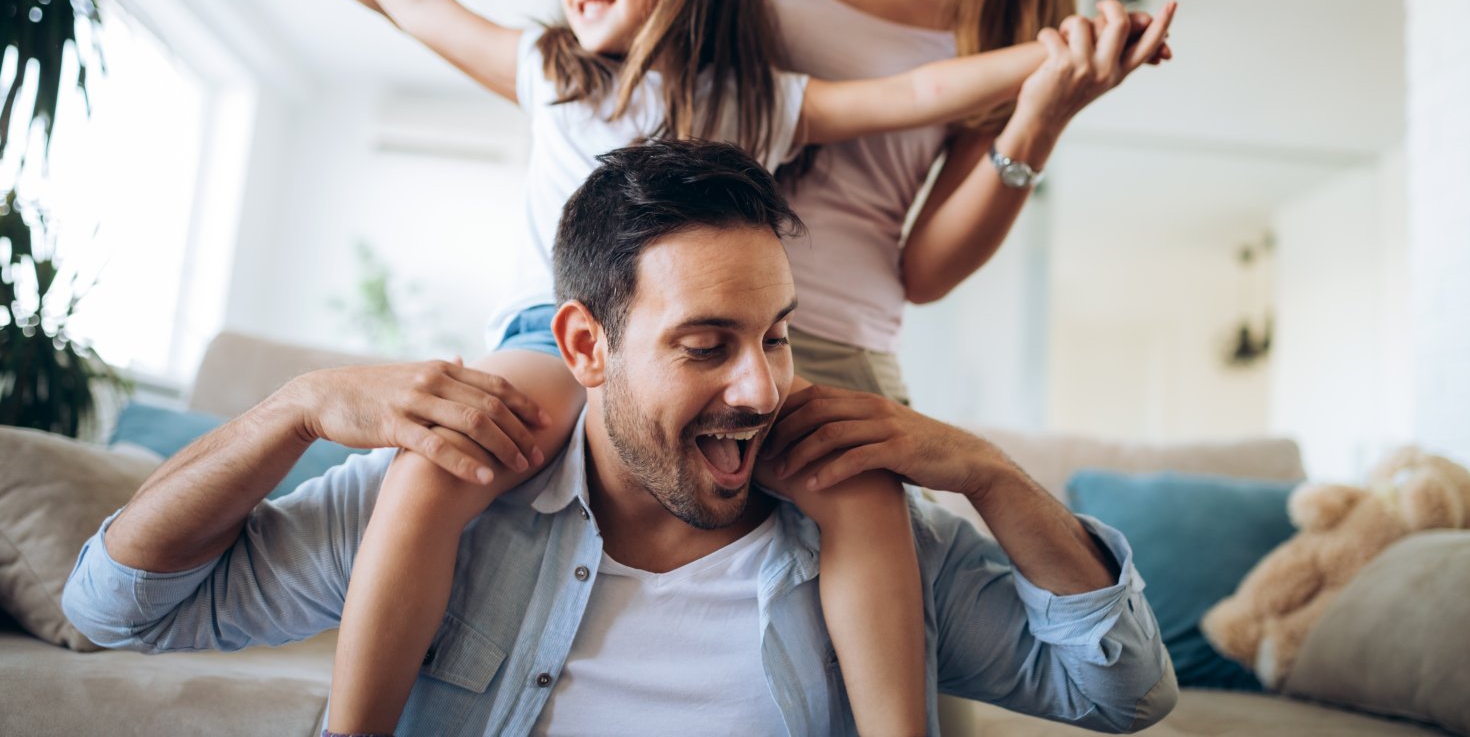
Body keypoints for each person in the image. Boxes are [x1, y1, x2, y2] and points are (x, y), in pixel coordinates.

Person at [245, 0, 1171, 736]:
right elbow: (427, 9)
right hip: (549, 334)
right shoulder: (553, 69)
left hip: (700, 342)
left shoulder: (761, 99)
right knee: (439, 463)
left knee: (864, 493)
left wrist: (1062, 60)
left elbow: (920, 88)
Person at [63, 138, 1178, 736]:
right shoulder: (464, 486)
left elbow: (1121, 695)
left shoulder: (865, 529)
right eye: (706, 345)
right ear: (585, 345)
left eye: (778, 338)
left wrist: (985, 472)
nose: (761, 387)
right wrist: (289, 408)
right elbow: (112, 608)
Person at [753, 0, 1163, 403]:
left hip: (835, 340)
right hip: (683, 313)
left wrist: (1041, 115)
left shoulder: (1001, 37)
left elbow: (927, 273)